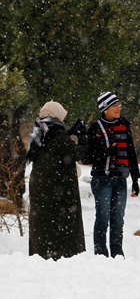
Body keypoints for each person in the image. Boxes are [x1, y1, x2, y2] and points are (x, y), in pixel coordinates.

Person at [26, 101, 87, 260]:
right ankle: (61, 254)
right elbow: (78, 153)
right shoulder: (57, 134)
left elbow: (55, 148)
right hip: (58, 188)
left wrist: (69, 132)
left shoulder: (40, 130)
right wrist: (82, 137)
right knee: (60, 224)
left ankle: (41, 252)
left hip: (40, 187)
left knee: (42, 222)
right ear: (56, 115)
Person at [82, 92, 140, 258]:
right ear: (105, 109)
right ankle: (100, 254)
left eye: (118, 104)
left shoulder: (124, 124)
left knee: (118, 219)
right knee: (103, 217)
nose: (118, 108)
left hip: (121, 180)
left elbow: (131, 152)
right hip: (102, 179)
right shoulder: (95, 128)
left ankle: (117, 253)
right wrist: (106, 152)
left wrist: (135, 179)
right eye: (114, 105)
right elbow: (87, 157)